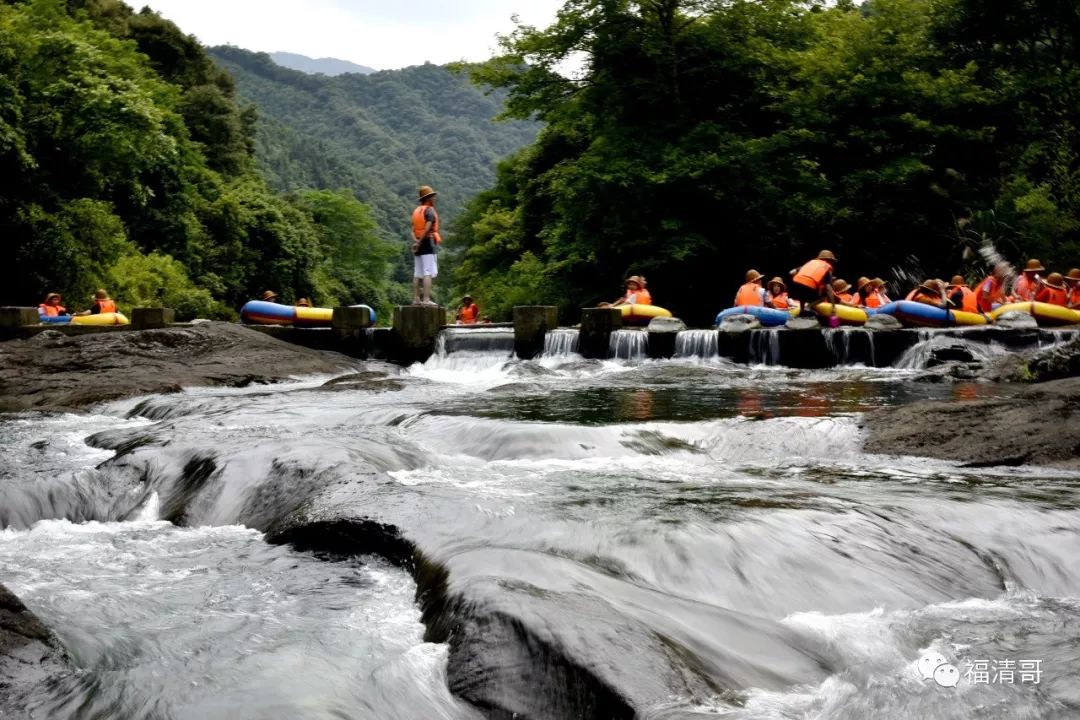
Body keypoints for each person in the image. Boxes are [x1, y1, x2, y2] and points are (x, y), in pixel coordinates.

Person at [411, 185, 441, 306]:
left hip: (418, 244)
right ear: (428, 198)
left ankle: (416, 299)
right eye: (433, 197)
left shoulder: (417, 211)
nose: (434, 199)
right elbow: (428, 226)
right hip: (427, 243)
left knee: (417, 273)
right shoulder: (429, 210)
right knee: (427, 272)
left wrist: (416, 242)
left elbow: (412, 229)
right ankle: (426, 300)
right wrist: (420, 242)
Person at [790, 250, 838, 316]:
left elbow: (791, 272)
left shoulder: (810, 263)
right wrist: (833, 307)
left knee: (802, 286)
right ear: (830, 261)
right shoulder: (827, 268)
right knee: (824, 294)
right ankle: (808, 307)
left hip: (795, 285)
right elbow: (828, 288)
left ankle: (802, 310)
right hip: (808, 287)